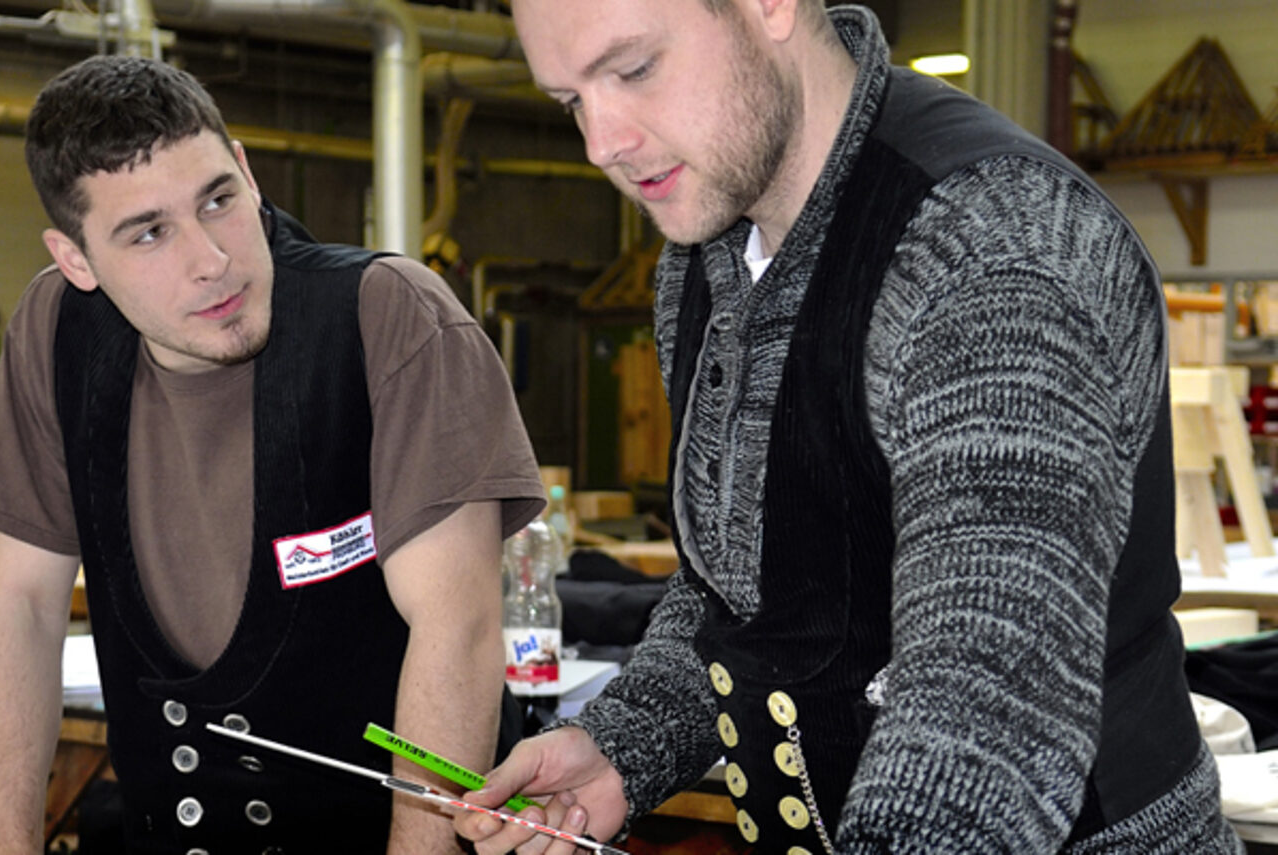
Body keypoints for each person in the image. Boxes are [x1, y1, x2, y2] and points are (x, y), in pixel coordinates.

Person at [455, 1, 1242, 852]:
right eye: (571, 99)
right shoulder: (706, 256)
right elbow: (756, 593)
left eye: (635, 69)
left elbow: (988, 708)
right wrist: (623, 748)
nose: (601, 141)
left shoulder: (993, 247)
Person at [0, 54, 545, 854]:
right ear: (76, 260)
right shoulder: (58, 335)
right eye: (150, 232)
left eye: (218, 199)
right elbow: (17, 602)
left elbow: (457, 623)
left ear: (248, 173)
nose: (212, 258)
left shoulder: (384, 318)